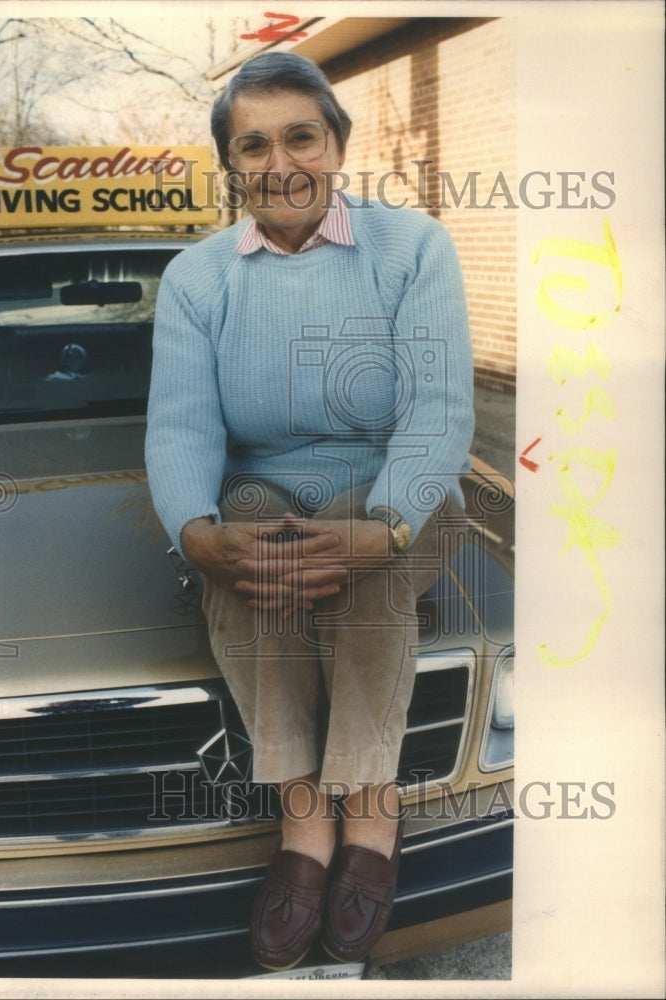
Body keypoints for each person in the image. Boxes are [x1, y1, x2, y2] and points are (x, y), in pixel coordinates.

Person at [145, 51, 474, 971]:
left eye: (301, 134)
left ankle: (368, 807)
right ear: (231, 164)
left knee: (361, 567)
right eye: (253, 144)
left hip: (397, 484)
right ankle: (303, 815)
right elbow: (181, 427)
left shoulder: (411, 248)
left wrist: (391, 523)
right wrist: (196, 532)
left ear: (336, 146)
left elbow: (439, 411)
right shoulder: (197, 278)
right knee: (249, 557)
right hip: (263, 482)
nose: (279, 159)